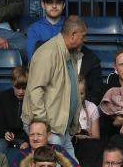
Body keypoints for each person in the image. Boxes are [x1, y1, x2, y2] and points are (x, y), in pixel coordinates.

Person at [21, 16, 87, 157]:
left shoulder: (70, 53)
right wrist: (43, 127)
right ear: (73, 35)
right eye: (83, 36)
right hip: (48, 128)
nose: (85, 40)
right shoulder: (48, 53)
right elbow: (35, 90)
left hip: (60, 127)